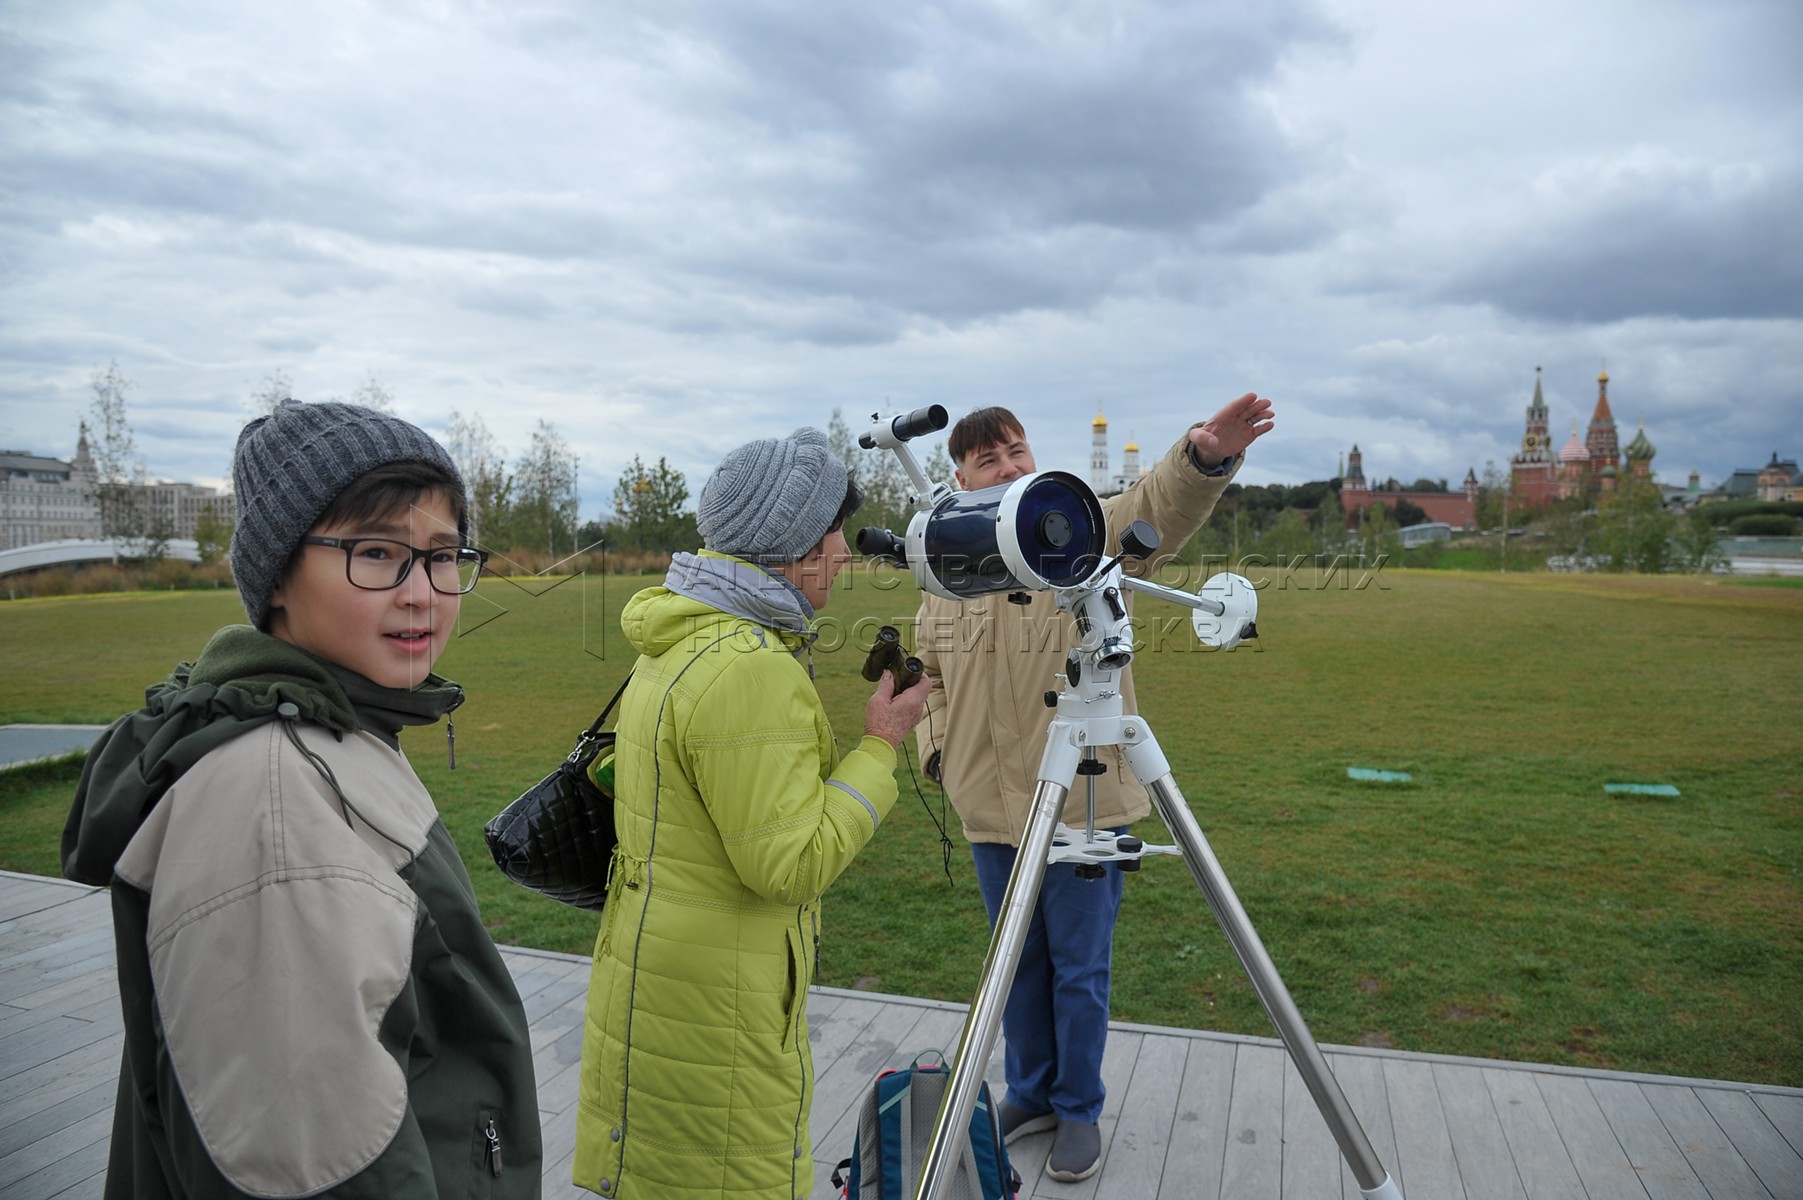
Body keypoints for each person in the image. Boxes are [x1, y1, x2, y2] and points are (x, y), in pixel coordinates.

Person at [62, 399, 543, 1199]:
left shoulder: (337, 727)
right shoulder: (275, 806)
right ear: (279, 574)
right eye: (377, 553)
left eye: (442, 556)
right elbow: (316, 1164)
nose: (423, 593)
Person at [912, 394, 1274, 1182]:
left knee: (1078, 967)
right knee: (1016, 966)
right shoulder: (944, 575)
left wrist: (1202, 459)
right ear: (959, 479)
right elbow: (926, 679)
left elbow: (1153, 509)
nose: (1007, 467)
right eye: (986, 459)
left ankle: (1077, 1108)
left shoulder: (1075, 529)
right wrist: (938, 754)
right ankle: (1030, 1092)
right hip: (988, 807)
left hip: (1083, 797)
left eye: (1016, 450)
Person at [573, 427, 931, 1200]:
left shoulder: (683, 633)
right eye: (834, 534)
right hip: (716, 1008)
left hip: (663, 978)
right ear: (793, 544)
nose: (844, 555)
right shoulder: (750, 667)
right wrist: (880, 745)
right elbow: (789, 863)